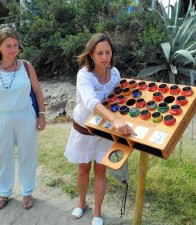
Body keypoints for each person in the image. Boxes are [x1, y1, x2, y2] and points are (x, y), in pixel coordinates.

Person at [64, 33, 135, 225]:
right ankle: (81, 203)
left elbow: (120, 99)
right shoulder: (84, 74)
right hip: (84, 129)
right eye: (100, 53)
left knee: (101, 171)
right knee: (83, 169)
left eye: (108, 52)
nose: (105, 57)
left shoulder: (116, 73)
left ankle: (97, 212)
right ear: (92, 54)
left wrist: (122, 120)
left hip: (106, 130)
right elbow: (90, 101)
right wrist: (115, 120)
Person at [0, 27, 46, 210]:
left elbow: (37, 91)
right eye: (8, 45)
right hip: (1, 118)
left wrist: (41, 115)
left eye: (16, 45)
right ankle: (4, 192)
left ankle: (27, 191)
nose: (12, 49)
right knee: (3, 157)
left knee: (28, 155)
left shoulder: (26, 66)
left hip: (25, 116)